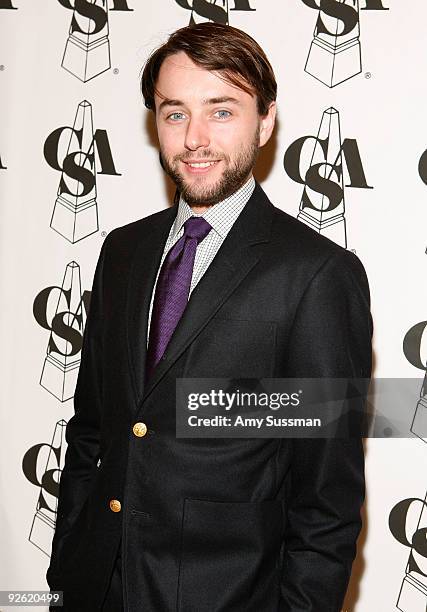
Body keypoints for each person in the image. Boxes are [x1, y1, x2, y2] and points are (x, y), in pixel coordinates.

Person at [47, 21, 373, 612]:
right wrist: (70, 562)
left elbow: (325, 501)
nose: (194, 138)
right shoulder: (121, 250)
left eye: (220, 111)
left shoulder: (316, 275)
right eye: (175, 114)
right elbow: (94, 428)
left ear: (265, 121)